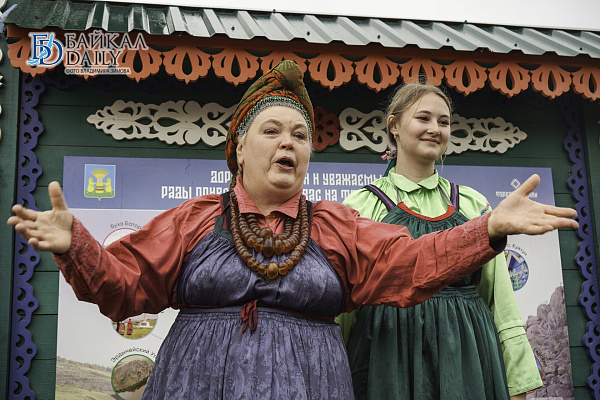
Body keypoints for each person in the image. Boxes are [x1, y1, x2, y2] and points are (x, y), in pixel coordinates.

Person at [7, 61, 577, 400]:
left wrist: (487, 228)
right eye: (272, 131)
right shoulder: (194, 219)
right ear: (239, 149)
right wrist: (77, 248)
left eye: (300, 135)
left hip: (314, 384)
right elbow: (124, 288)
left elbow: (411, 263)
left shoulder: (334, 225)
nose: (288, 142)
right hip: (198, 384)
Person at [336, 83, 543, 399]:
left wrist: (518, 381)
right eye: (423, 118)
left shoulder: (474, 205)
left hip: (467, 360)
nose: (435, 128)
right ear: (394, 126)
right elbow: (344, 309)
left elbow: (499, 299)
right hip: (385, 360)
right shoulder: (360, 207)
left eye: (443, 122)